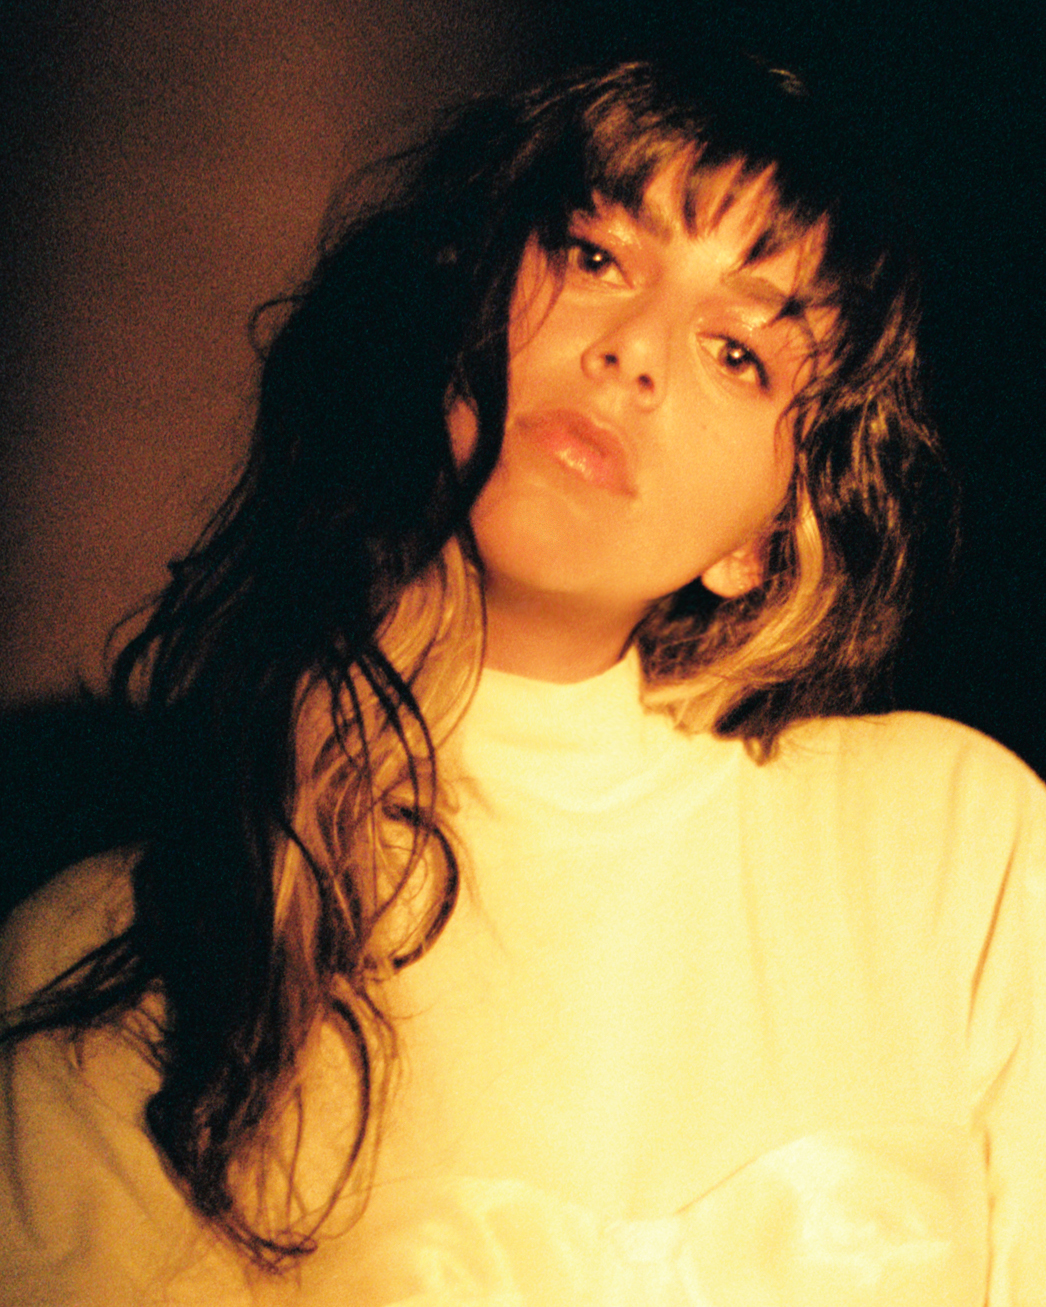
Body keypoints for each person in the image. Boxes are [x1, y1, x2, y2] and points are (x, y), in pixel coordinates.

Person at [1, 51, 1045, 1306]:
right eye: (595, 255)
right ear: (459, 301)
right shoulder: (115, 959)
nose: (635, 352)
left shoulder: (953, 851)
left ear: (760, 540)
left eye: (737, 351)